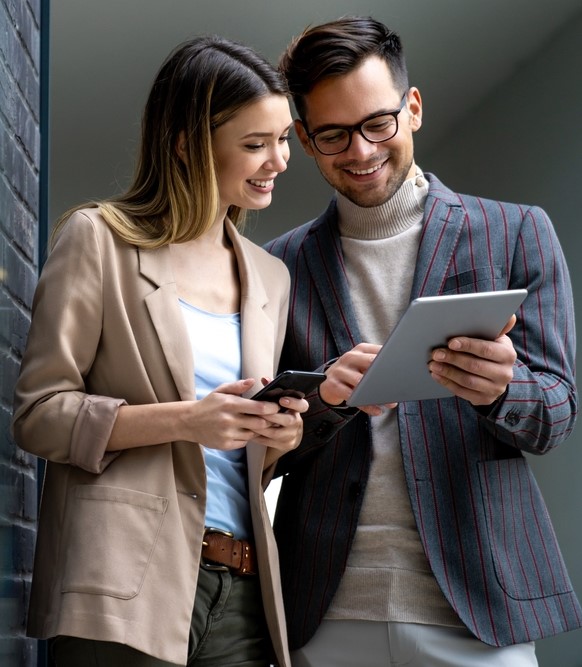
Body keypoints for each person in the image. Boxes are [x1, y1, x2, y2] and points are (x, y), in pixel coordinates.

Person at [264, 16, 582, 667]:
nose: (360, 151)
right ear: (303, 138)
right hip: (324, 610)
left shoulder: (516, 232)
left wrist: (503, 390)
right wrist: (323, 398)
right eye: (333, 134)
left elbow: (558, 411)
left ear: (412, 107)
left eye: (377, 123)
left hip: (477, 606)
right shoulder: (279, 267)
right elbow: (261, 445)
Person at [12, 34, 307, 667]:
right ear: (187, 143)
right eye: (255, 144)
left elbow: (240, 462)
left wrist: (276, 438)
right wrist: (188, 419)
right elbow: (39, 415)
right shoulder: (98, 241)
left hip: (246, 589)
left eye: (283, 138)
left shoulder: (271, 278)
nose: (279, 159)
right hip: (124, 582)